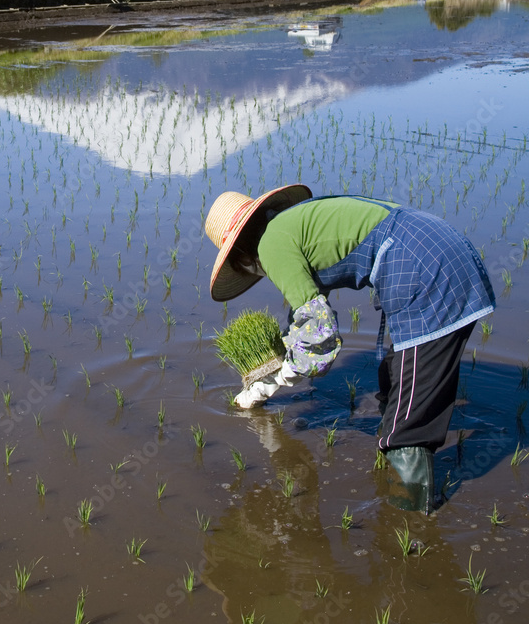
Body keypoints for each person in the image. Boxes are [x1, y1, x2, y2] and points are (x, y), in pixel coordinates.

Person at [205, 185, 496, 513]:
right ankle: (399, 486)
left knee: (409, 418)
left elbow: (321, 337)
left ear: (242, 256)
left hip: (424, 269)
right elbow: (306, 313)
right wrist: (283, 353)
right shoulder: (290, 225)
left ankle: (411, 519)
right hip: (439, 248)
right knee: (397, 379)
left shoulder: (271, 245)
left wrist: (269, 384)